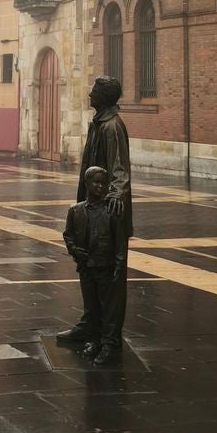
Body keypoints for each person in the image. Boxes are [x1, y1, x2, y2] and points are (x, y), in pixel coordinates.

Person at [56, 77, 133, 356]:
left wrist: (115, 197)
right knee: (88, 270)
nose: (88, 93)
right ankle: (91, 325)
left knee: (110, 282)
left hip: (107, 214)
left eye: (93, 90)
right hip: (91, 210)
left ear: (103, 96)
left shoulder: (112, 126)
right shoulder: (100, 121)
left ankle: (110, 339)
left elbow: (119, 168)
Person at [61, 167, 128, 366]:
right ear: (87, 183)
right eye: (95, 182)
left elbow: (120, 242)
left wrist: (118, 265)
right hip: (86, 267)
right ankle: (95, 339)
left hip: (105, 266)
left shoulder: (112, 211)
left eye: (103, 183)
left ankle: (108, 344)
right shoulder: (75, 210)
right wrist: (74, 250)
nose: (99, 186)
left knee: (108, 308)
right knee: (91, 306)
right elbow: (68, 235)